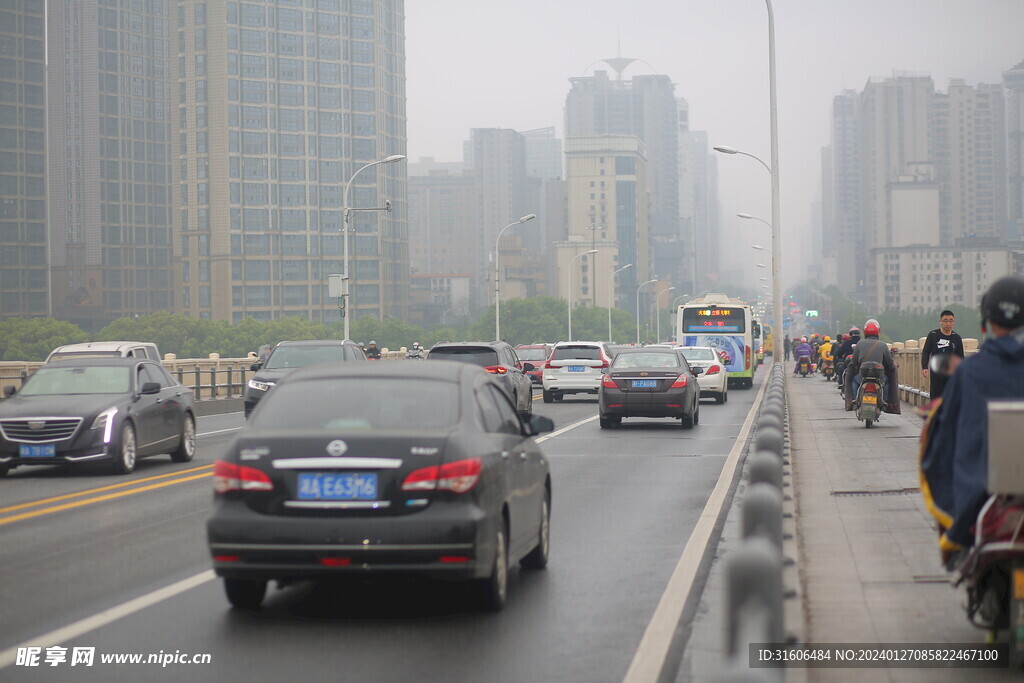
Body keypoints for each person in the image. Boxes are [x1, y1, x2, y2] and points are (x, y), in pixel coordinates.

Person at [921, 276, 1024, 564]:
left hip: (982, 499)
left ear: (985, 324)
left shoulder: (969, 374)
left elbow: (941, 449)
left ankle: (957, 544)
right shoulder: (942, 343)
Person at [846, 319, 896, 409]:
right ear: (878, 332)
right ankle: (885, 401)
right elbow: (890, 363)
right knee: (888, 381)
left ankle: (853, 399)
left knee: (853, 380)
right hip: (879, 376)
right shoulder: (883, 345)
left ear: (865, 332)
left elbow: (853, 362)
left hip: (863, 375)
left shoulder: (860, 344)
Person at [920, 309, 965, 400]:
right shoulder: (933, 335)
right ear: (940, 321)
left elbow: (960, 357)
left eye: (951, 321)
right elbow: (926, 351)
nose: (948, 323)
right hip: (937, 373)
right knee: (936, 399)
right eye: (945, 321)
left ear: (954, 322)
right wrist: (924, 367)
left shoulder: (957, 338)